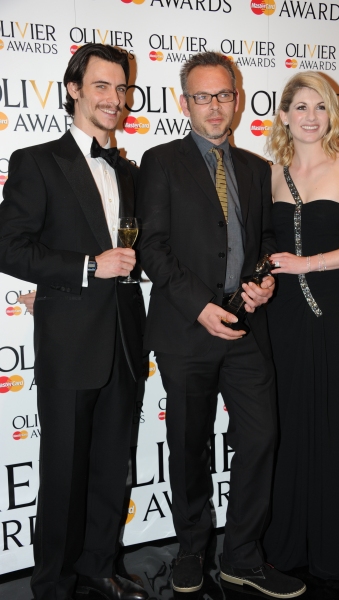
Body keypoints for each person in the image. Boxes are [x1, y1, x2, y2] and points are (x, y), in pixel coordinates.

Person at [137, 51, 306, 599]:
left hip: (246, 329)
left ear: (237, 99)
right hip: (186, 330)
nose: (215, 107)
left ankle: (242, 556)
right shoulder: (159, 162)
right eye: (203, 96)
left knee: (261, 437)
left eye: (224, 95)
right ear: (184, 103)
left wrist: (264, 281)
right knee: (189, 444)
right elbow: (152, 250)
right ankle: (191, 546)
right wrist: (197, 306)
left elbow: (264, 244)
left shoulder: (257, 169)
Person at [0, 44, 147, 600]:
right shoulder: (37, 161)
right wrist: (85, 269)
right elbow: (9, 245)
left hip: (126, 341)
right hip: (69, 343)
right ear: (74, 90)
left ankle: (100, 566)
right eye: (102, 86)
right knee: (63, 473)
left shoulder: (130, 172)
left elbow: (146, 252)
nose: (114, 99)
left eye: (121, 88)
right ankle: (54, 584)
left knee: (113, 465)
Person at [262, 72, 339, 580]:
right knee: (284, 429)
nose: (311, 115)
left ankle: (333, 553)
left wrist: (307, 264)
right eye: (300, 106)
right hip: (278, 317)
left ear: (333, 114)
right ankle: (284, 547)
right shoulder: (267, 173)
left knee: (334, 426)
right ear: (284, 114)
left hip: (332, 310)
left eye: (321, 106)